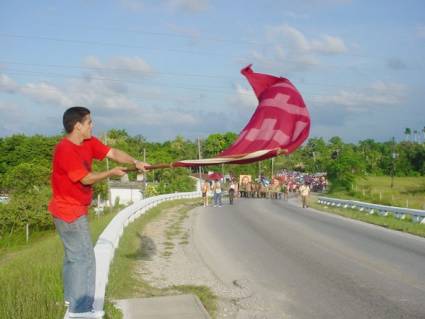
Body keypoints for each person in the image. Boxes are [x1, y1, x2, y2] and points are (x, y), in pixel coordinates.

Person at [48, 106, 148, 318]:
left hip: (70, 210)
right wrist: (111, 172)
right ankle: (82, 309)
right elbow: (85, 178)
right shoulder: (65, 149)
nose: (92, 126)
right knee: (84, 259)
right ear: (78, 126)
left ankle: (70, 300)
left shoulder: (88, 142)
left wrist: (135, 162)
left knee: (73, 258)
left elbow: (112, 153)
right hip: (69, 212)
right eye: (89, 122)